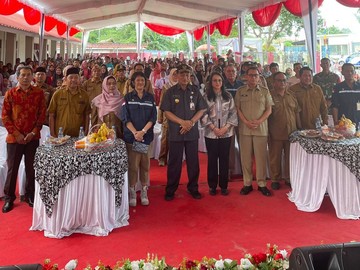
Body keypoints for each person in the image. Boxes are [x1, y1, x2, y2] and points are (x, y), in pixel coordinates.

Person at [1, 65, 46, 213]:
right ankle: (9, 198)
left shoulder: (39, 94)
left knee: (31, 168)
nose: (25, 78)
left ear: (32, 76)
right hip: (15, 139)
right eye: (23, 75)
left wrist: (33, 133)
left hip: (32, 138)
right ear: (18, 77)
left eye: (28, 75)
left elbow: (41, 115)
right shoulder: (10, 94)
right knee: (12, 169)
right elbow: (5, 117)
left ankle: (30, 195)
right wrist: (17, 134)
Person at [160, 64, 207, 201]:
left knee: (193, 162)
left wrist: (191, 122)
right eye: (182, 75)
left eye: (187, 75)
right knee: (174, 162)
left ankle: (193, 188)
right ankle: (170, 189)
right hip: (176, 132)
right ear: (177, 76)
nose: (185, 77)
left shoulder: (195, 91)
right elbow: (167, 112)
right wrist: (182, 122)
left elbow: (202, 109)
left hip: (191, 132)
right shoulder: (170, 92)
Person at [235, 66, 273, 197]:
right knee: (246, 159)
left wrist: (259, 121)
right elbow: (237, 109)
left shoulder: (265, 91)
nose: (253, 78)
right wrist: (245, 122)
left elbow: (269, 109)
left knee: (261, 158)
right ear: (246, 76)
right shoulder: (240, 91)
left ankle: (262, 184)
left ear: (259, 77)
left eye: (256, 75)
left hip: (260, 129)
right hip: (245, 129)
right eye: (250, 75)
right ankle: (247, 183)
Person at [121, 72, 157, 207]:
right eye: (137, 81)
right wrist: (135, 133)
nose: (140, 83)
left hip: (145, 138)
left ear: (145, 82)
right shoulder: (128, 98)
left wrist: (142, 132)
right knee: (133, 166)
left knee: (145, 165)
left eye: (142, 80)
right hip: (132, 138)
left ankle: (144, 190)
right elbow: (125, 119)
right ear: (133, 83)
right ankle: (131, 191)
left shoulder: (150, 98)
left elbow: (153, 118)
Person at [201, 72, 238, 196]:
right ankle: (212, 185)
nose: (217, 83)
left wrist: (225, 127)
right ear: (211, 83)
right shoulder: (206, 97)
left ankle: (223, 186)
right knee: (212, 159)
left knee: (224, 159)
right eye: (215, 81)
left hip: (226, 133)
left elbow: (233, 113)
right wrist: (213, 128)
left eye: (219, 81)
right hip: (211, 133)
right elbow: (203, 114)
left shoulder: (228, 96)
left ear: (222, 82)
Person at [268, 72, 301, 190]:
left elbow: (296, 112)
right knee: (275, 158)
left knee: (290, 158)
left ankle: (288, 178)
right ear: (274, 82)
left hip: (291, 133)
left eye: (284, 80)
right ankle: (275, 179)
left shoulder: (291, 95)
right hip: (275, 133)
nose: (282, 83)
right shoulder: (269, 96)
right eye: (279, 80)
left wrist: (299, 129)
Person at [48, 67, 91, 137]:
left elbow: (87, 115)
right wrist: (52, 134)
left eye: (76, 77)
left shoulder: (84, 95)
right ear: (65, 79)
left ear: (79, 79)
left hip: (79, 135)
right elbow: (51, 114)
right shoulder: (58, 94)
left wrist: (86, 132)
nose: (73, 80)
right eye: (71, 77)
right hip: (60, 135)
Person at [157, 68, 178, 166]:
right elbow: (161, 102)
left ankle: (174, 159)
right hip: (167, 115)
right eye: (174, 74)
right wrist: (160, 116)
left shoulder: (181, 86)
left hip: (178, 116)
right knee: (165, 137)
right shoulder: (166, 86)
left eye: (177, 74)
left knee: (177, 138)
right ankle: (162, 158)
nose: (175, 76)